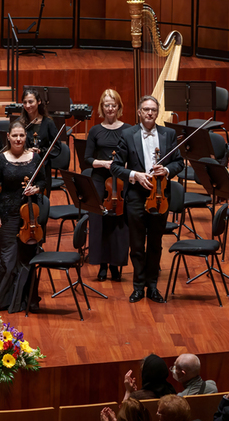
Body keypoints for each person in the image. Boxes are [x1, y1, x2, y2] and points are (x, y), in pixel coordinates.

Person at [111, 95, 183, 304]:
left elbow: (179, 163)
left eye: (153, 109)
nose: (150, 113)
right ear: (139, 113)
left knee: (155, 243)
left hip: (160, 196)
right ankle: (137, 287)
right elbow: (115, 167)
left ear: (157, 112)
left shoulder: (169, 134)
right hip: (135, 196)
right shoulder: (127, 134)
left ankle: (152, 286)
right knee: (136, 244)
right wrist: (136, 175)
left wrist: (167, 170)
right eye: (146, 109)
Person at [0, 118, 47, 312]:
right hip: (7, 214)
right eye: (14, 135)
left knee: (27, 256)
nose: (18, 139)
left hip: (30, 215)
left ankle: (24, 299)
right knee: (8, 258)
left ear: (26, 137)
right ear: (8, 137)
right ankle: (3, 300)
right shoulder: (0, 159)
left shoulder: (34, 158)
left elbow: (43, 182)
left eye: (21, 135)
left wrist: (36, 189)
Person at [85, 89, 131, 283]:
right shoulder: (95, 130)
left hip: (120, 182)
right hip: (99, 180)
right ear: (102, 107)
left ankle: (115, 264)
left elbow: (133, 158)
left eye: (113, 105)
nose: (110, 108)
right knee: (99, 221)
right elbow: (87, 159)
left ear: (119, 107)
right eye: (106, 105)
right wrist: (104, 163)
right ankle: (102, 265)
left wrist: (123, 167)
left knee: (118, 222)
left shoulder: (128, 130)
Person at [19, 88, 61, 194]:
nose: (28, 105)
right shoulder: (19, 124)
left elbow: (57, 148)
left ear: (39, 101)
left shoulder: (48, 123)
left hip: (43, 169)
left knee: (43, 203)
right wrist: (26, 151)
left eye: (31, 101)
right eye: (25, 102)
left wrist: (41, 151)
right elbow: (12, 146)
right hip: (22, 168)